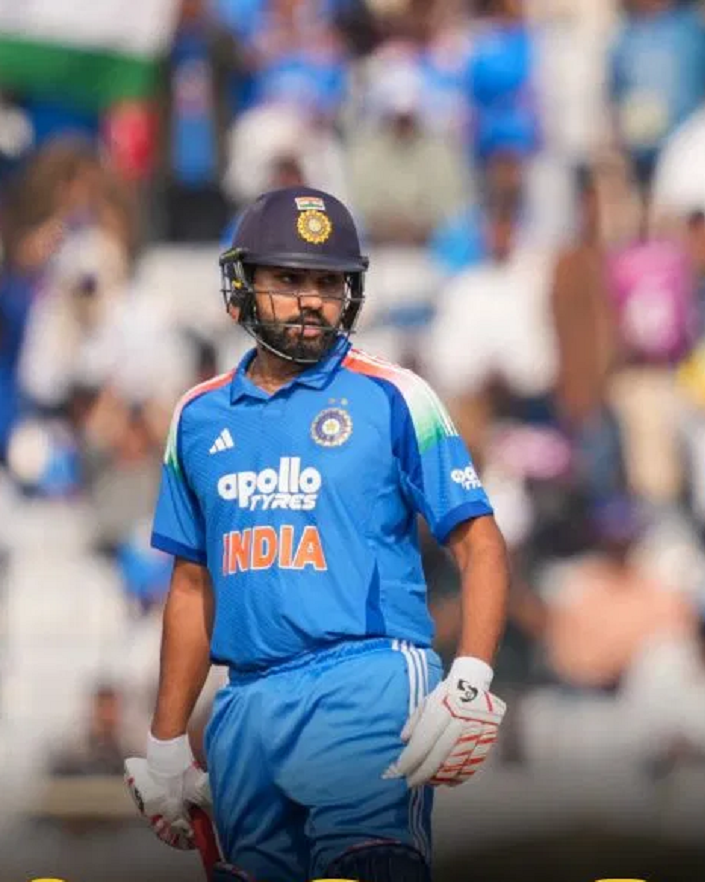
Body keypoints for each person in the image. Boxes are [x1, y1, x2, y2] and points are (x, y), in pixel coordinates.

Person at [126, 186, 511, 882]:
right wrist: (167, 743)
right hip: (244, 705)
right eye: (288, 279)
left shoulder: (395, 395)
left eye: (329, 283)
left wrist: (471, 677)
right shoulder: (197, 417)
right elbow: (191, 587)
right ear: (242, 287)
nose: (311, 301)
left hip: (366, 682)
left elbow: (478, 542)